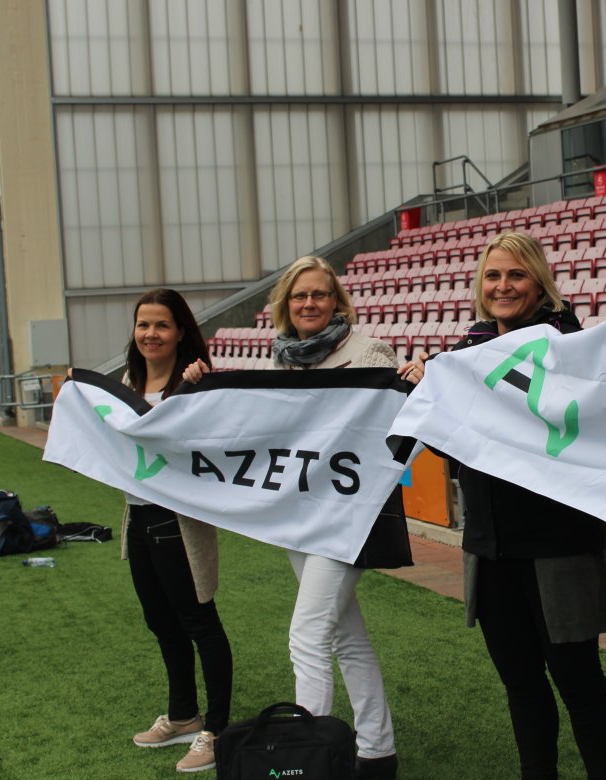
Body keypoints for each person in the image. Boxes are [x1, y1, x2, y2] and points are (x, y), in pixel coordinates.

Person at [399, 231, 606, 780]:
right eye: (493, 276)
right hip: (490, 547)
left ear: (539, 284)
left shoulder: (571, 348)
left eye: (517, 275)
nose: (503, 287)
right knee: (521, 684)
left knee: (579, 682)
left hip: (560, 546)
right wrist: (428, 392)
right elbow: (448, 449)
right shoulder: (464, 355)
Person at [184, 256, 399, 780]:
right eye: (299, 296)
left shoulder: (370, 352)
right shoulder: (281, 363)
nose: (309, 303)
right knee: (344, 635)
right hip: (300, 516)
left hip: (348, 518)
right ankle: (377, 751)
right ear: (285, 305)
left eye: (320, 294)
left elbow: (390, 424)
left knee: (307, 635)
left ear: (337, 301)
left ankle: (306, 762)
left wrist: (410, 378)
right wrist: (203, 384)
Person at [119, 288, 233, 774]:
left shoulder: (195, 382)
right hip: (138, 519)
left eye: (162, 325)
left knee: (200, 623)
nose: (151, 334)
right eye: (143, 325)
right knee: (161, 622)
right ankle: (184, 714)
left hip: (178, 522)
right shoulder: (125, 384)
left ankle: (218, 730)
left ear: (180, 331)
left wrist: (193, 390)